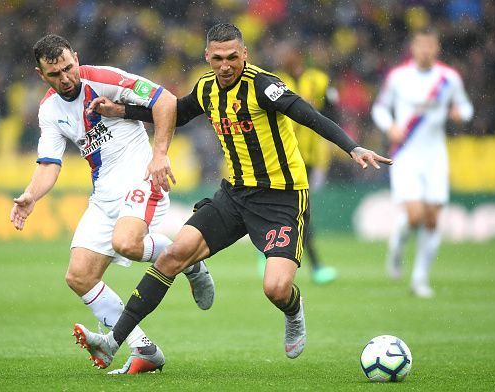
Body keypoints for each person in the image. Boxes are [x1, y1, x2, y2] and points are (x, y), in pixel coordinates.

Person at [73, 23, 391, 369]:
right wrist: (122, 111)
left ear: (245, 54)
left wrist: (352, 147)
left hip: (282, 198)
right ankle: (111, 341)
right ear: (207, 56)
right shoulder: (207, 87)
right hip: (235, 194)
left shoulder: (264, 86)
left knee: (276, 289)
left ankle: (294, 309)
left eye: (233, 57)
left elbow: (309, 116)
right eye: (219, 58)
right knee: (172, 256)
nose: (226, 65)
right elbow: (176, 112)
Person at [9, 34, 215, 374]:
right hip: (103, 195)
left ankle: (189, 261)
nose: (65, 78)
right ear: (40, 74)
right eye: (55, 74)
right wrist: (31, 195)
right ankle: (143, 349)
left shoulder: (105, 78)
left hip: (141, 179)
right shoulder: (49, 110)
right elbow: (49, 163)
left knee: (127, 243)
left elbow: (165, 102)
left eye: (68, 68)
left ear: (76, 58)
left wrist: (160, 155)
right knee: (78, 276)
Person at [371, 28, 473, 298]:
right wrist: (390, 126)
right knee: (415, 215)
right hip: (406, 153)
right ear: (413, 48)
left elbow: (466, 107)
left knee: (432, 219)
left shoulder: (448, 78)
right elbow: (379, 108)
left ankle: (419, 279)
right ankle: (397, 245)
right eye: (421, 45)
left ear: (437, 49)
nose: (426, 50)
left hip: (435, 154)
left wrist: (459, 113)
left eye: (431, 46)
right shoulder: (399, 77)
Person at [273, 40, 339, 284]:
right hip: (281, 154)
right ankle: (314, 265)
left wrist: (332, 142)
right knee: (293, 210)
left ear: (297, 54)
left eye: (285, 51)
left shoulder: (319, 79)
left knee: (299, 210)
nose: (281, 56)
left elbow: (333, 112)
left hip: (309, 158)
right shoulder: (273, 80)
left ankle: (272, 249)